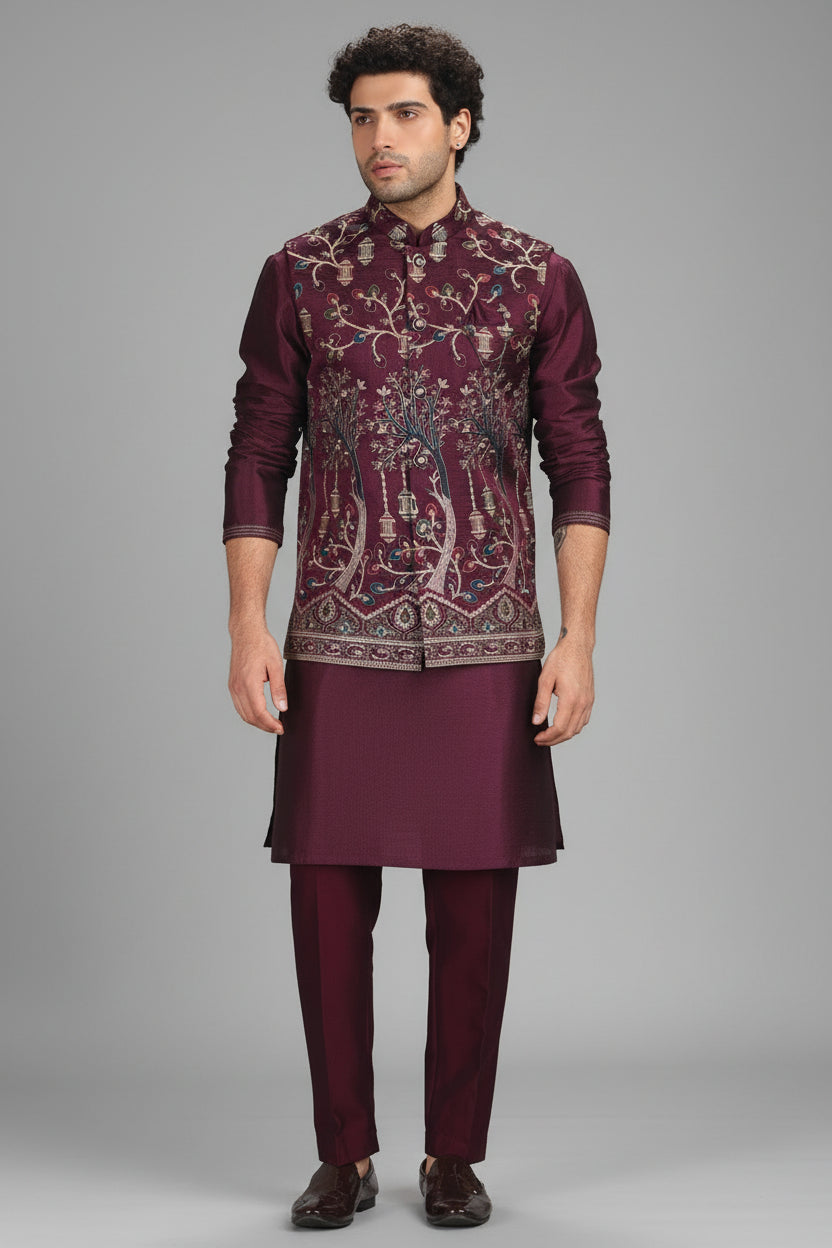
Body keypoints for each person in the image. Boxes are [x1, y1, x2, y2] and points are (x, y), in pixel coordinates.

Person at [222, 23, 610, 1230]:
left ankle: (453, 1155)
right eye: (360, 117)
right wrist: (246, 627)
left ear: (459, 124)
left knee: (474, 910)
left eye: (402, 114)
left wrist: (578, 638)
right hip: (334, 633)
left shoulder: (536, 277)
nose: (378, 139)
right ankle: (342, 1156)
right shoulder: (299, 274)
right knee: (326, 903)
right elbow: (259, 449)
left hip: (488, 636)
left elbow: (578, 459)